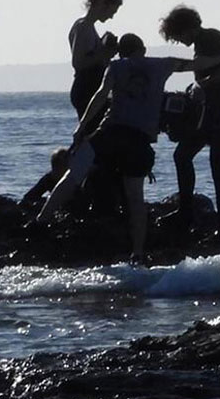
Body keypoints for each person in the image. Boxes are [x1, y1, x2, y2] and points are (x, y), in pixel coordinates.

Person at [36, 34, 192, 261]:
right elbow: (194, 65)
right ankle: (137, 251)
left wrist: (82, 127)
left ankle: (41, 221)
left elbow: (100, 96)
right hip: (139, 141)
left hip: (109, 134)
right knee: (135, 197)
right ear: (143, 48)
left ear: (121, 52)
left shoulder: (116, 66)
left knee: (72, 177)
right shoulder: (162, 64)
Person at [159, 5, 220, 244]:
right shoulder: (200, 44)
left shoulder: (212, 37)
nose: (178, 41)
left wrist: (204, 84)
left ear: (188, 28)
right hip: (205, 113)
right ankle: (185, 211)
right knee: (182, 156)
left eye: (178, 35)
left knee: (219, 171)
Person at [68, 0, 123, 118]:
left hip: (91, 87)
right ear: (102, 3)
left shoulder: (89, 27)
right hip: (85, 88)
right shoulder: (83, 27)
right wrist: (104, 53)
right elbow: (78, 63)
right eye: (112, 11)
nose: (111, 17)